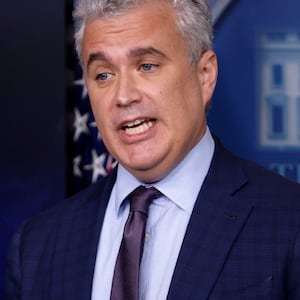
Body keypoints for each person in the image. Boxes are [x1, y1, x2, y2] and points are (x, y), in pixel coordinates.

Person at [4, 0, 300, 299]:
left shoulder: (290, 222)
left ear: (205, 74)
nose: (123, 96)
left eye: (147, 66)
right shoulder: (37, 246)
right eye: (103, 75)